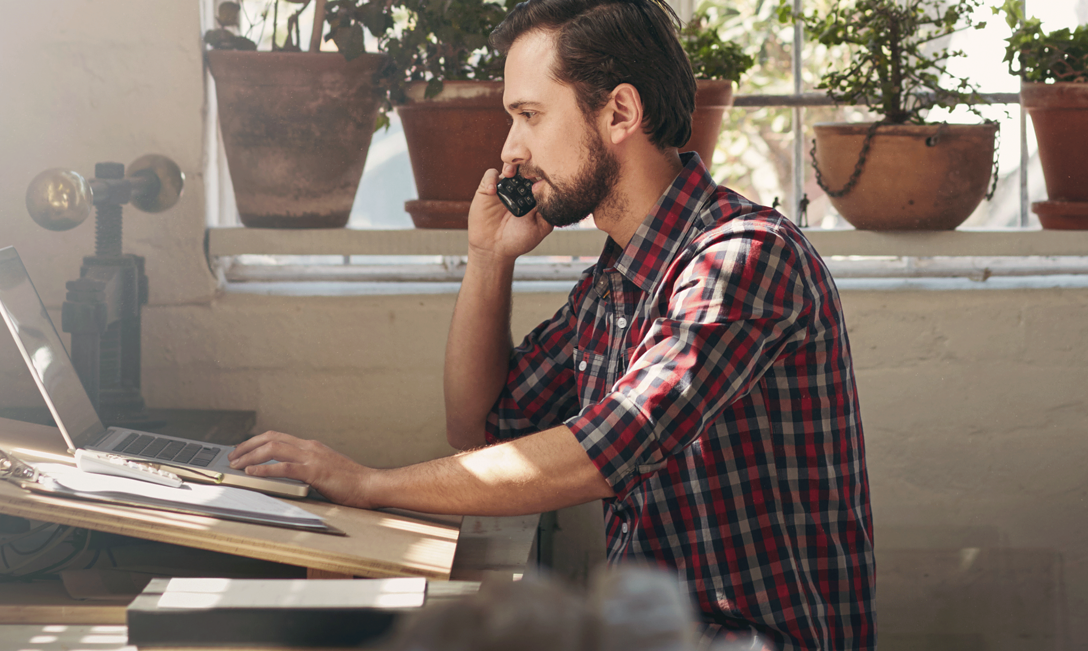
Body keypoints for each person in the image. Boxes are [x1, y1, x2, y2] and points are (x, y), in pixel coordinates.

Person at [227, 0, 874, 648]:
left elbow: (610, 447)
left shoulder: (745, 257)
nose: (511, 149)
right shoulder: (615, 283)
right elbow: (480, 430)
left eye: (530, 116)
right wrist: (488, 259)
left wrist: (370, 483)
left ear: (620, 112)